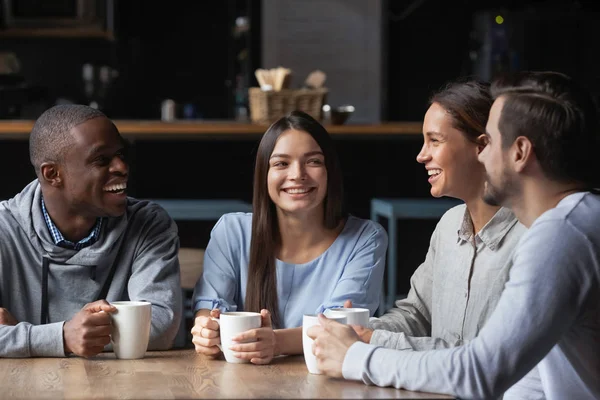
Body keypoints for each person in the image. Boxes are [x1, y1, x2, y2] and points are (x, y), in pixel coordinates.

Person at [308, 71, 600, 399]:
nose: (482, 154)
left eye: (488, 141)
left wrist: (355, 357)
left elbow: (479, 371)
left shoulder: (561, 235)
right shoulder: (576, 221)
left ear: (519, 152)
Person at [347, 78, 542, 398]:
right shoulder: (448, 225)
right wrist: (363, 332)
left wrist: (374, 343)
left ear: (482, 146)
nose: (421, 156)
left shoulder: (533, 238)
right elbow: (416, 315)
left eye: (434, 141)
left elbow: (479, 357)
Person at [191, 111, 387, 364]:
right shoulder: (231, 231)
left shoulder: (365, 238)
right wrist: (206, 330)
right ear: (264, 175)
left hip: (328, 381)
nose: (297, 174)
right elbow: (211, 307)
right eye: (281, 163)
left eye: (313, 162)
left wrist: (276, 342)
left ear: (330, 171)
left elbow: (340, 330)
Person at [0, 104, 182, 358]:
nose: (122, 167)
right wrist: (64, 336)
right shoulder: (3, 228)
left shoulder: (148, 224)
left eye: (120, 154)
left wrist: (20, 338)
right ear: (52, 174)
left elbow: (161, 327)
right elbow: (141, 328)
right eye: (101, 159)